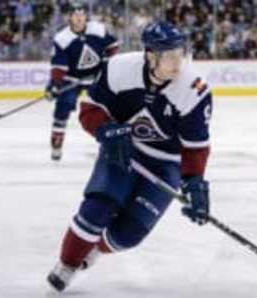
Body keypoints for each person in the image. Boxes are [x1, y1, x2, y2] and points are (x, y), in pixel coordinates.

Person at [47, 21, 212, 292]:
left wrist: (194, 182)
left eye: (180, 54)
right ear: (150, 55)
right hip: (124, 148)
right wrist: (105, 129)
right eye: (169, 56)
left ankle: (96, 250)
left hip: (166, 163)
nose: (177, 63)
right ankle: (67, 264)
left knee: (129, 234)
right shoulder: (118, 68)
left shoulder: (193, 89)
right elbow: (90, 108)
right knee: (97, 209)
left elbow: (195, 147)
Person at [46, 0, 118, 161]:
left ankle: (112, 142)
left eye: (82, 15)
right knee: (63, 106)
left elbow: (113, 45)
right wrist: (54, 85)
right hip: (72, 78)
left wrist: (108, 60)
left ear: (86, 17)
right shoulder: (62, 38)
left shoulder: (97, 29)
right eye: (75, 15)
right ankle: (57, 141)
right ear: (69, 18)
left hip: (96, 77)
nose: (79, 18)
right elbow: (59, 67)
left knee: (109, 106)